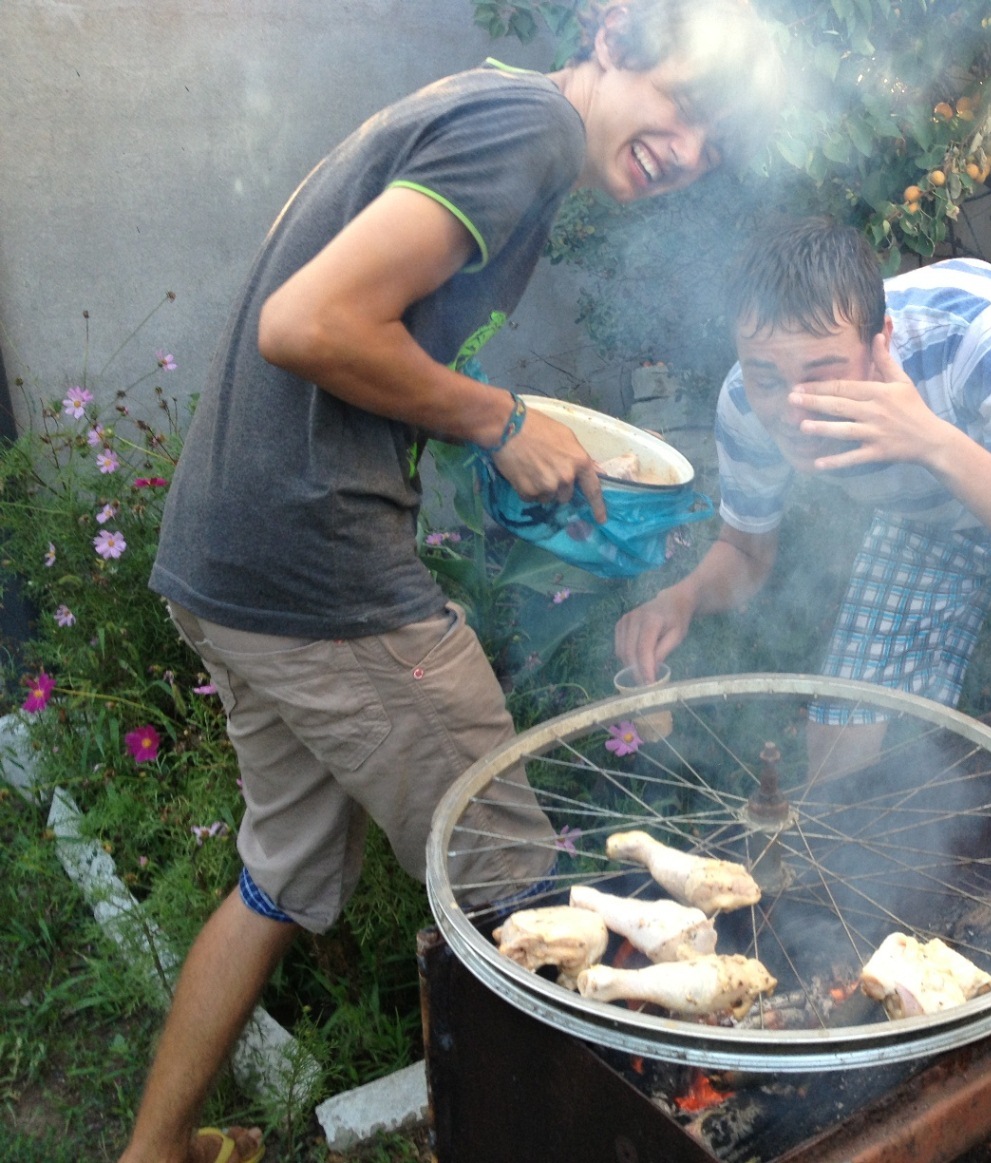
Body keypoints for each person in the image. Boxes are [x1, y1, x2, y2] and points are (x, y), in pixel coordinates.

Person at [123, 3, 780, 1161]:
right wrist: (500, 415)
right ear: (617, 35)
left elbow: (358, 338)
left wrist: (488, 440)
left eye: (711, 149)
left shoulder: (473, 103)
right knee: (525, 894)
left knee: (279, 876)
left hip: (232, 563)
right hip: (323, 574)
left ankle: (155, 1151)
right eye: (686, 109)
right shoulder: (522, 126)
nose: (685, 154)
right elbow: (306, 321)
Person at [615, 217, 991, 763]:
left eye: (822, 375)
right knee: (844, 733)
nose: (792, 409)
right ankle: (859, 881)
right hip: (932, 518)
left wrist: (930, 441)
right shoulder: (746, 403)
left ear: (882, 339)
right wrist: (684, 598)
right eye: (767, 375)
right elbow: (748, 551)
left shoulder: (975, 330)